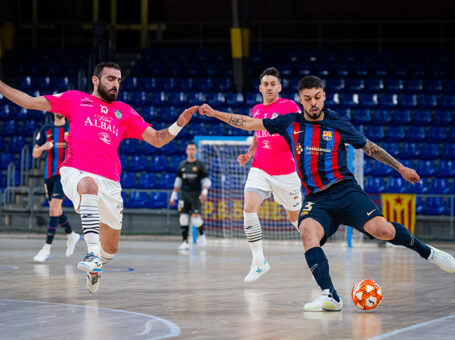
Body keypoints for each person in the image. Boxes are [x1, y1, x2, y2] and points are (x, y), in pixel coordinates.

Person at [199, 75, 455, 311]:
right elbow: (248, 123)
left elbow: (369, 147)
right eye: (308, 98)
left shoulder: (337, 123)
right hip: (316, 199)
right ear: (300, 99)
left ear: (324, 96)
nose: (313, 102)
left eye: (317, 97)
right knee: (307, 233)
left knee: (384, 231)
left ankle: (429, 253)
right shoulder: (289, 123)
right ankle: (330, 295)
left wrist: (400, 167)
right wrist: (215, 113)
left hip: (345, 191)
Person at [0, 62, 198, 294]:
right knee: (88, 185)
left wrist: (178, 124)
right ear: (95, 80)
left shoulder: (125, 111)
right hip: (75, 170)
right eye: (111, 79)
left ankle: (97, 266)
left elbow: (157, 139)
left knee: (111, 249)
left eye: (118, 81)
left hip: (111, 182)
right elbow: (29, 101)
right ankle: (92, 254)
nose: (116, 84)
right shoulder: (74, 99)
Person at [236, 67, 302, 283]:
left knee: (296, 219)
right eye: (266, 84)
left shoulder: (290, 106)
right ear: (260, 87)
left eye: (273, 84)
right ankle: (259, 261)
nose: (270, 87)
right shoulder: (256, 110)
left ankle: (315, 243)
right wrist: (249, 153)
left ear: (279, 87)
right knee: (248, 207)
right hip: (260, 168)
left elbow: (303, 131)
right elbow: (258, 132)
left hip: (286, 173)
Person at [32, 112, 81, 262]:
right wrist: (43, 148)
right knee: (56, 210)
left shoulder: (72, 128)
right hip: (49, 175)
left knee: (53, 208)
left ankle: (46, 248)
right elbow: (34, 153)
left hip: (65, 174)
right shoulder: (45, 129)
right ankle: (72, 235)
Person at [170, 141, 211, 250]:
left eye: (193, 149)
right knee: (183, 218)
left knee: (196, 220)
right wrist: (173, 196)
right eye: (189, 149)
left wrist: (204, 192)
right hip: (184, 194)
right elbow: (178, 180)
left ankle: (202, 235)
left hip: (196, 195)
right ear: (186, 151)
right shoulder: (182, 165)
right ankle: (184, 242)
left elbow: (207, 181)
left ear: (196, 151)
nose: (191, 151)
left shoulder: (200, 165)